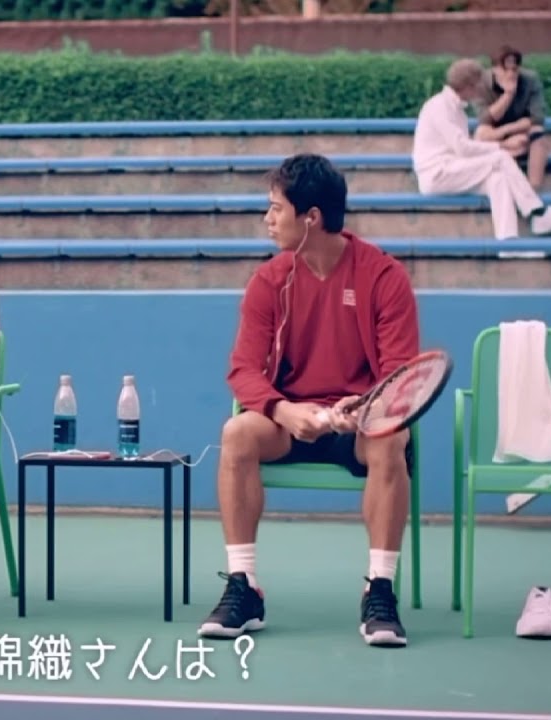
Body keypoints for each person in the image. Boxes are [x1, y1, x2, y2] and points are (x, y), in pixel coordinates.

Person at [198, 154, 419, 648]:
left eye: (277, 208)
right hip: (289, 421)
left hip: (360, 424)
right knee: (237, 433)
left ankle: (379, 590)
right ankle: (244, 586)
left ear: (311, 217)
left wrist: (361, 409)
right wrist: (284, 410)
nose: (268, 219)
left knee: (392, 438)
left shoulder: (384, 277)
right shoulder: (269, 280)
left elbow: (400, 377)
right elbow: (243, 369)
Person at [412, 57, 551, 241]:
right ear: (468, 85)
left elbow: (463, 151)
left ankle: (508, 243)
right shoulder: (439, 106)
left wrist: (499, 150)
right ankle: (538, 212)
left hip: (451, 170)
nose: (481, 89)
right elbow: (462, 148)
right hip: (437, 174)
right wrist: (503, 146)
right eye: (478, 84)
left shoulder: (456, 110)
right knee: (500, 157)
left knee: (498, 180)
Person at [473, 46, 549, 190]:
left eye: (514, 69)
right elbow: (485, 119)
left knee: (538, 133)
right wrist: (508, 94)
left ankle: (533, 187)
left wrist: (517, 129)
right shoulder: (482, 83)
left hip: (522, 134)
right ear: (494, 69)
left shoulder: (530, 80)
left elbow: (537, 118)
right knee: (482, 132)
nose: (511, 74)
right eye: (505, 69)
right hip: (496, 134)